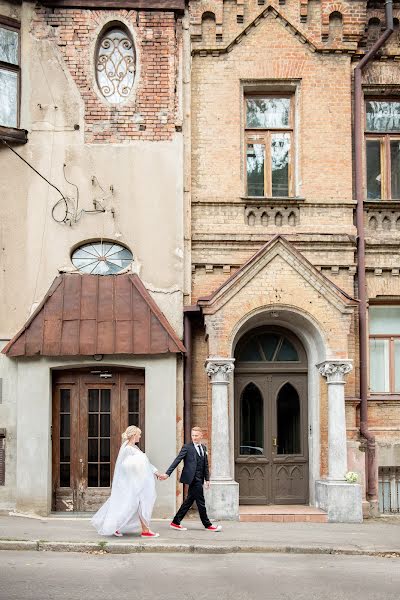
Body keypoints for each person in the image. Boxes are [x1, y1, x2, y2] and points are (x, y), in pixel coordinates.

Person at [91, 425, 160, 538]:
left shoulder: (133, 447)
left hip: (137, 484)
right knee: (129, 505)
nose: (140, 436)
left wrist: (156, 472)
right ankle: (123, 528)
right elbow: (124, 466)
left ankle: (144, 530)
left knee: (135, 505)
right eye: (139, 434)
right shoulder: (128, 449)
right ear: (134, 435)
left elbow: (145, 464)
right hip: (132, 484)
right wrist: (138, 467)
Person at [158, 426, 222, 532]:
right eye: (193, 435)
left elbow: (205, 464)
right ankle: (208, 525)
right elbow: (177, 460)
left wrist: (207, 479)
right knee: (201, 501)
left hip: (200, 478)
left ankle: (175, 522)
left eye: (196, 435)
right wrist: (167, 474)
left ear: (201, 435)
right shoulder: (187, 447)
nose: (194, 437)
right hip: (193, 478)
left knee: (189, 501)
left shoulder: (203, 448)